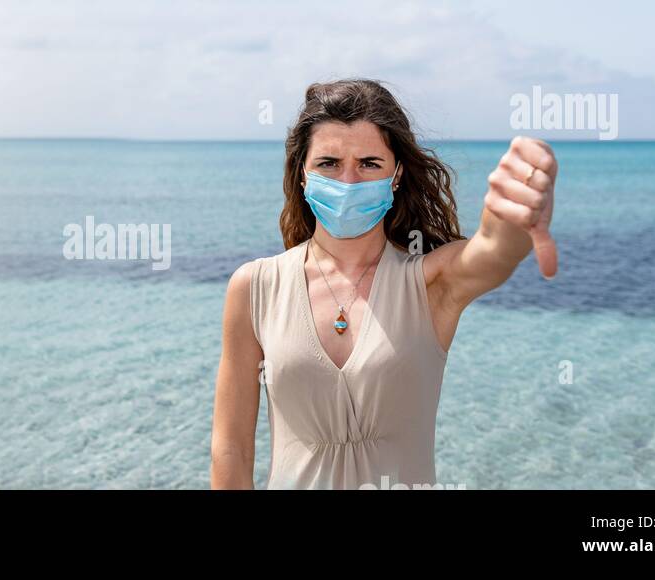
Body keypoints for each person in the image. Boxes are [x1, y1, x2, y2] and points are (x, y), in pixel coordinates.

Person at [210, 78, 558, 490]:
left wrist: (518, 209)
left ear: (396, 176)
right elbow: (231, 447)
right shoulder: (255, 287)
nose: (348, 182)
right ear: (302, 175)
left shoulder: (431, 283)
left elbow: (494, 251)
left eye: (369, 163)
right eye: (329, 163)